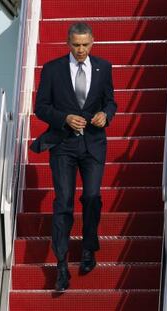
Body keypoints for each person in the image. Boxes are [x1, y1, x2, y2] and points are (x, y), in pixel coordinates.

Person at [30, 22, 117, 292]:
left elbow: (110, 101)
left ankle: (89, 247)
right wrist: (64, 117)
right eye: (76, 45)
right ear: (68, 43)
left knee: (92, 197)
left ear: (93, 42)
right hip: (63, 146)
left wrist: (106, 115)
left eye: (85, 45)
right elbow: (41, 107)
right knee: (63, 203)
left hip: (93, 144)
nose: (81, 50)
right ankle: (62, 266)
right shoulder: (53, 69)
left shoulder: (104, 67)